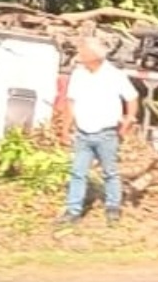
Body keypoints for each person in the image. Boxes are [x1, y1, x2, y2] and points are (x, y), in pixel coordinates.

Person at [57, 36, 139, 226]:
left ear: (93, 56)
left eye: (83, 51)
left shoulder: (114, 75)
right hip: (83, 133)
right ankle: (73, 211)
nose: (79, 54)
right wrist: (65, 130)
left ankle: (112, 208)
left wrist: (128, 120)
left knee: (110, 172)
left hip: (106, 133)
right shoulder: (78, 74)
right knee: (78, 172)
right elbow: (71, 102)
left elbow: (132, 98)